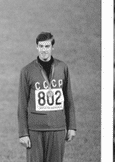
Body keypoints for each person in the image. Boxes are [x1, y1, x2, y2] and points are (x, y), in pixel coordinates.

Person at [17, 32, 77, 162]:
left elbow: (69, 100)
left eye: (47, 46)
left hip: (57, 128)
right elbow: (22, 104)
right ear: (37, 47)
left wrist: (71, 126)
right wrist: (23, 133)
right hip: (35, 130)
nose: (44, 50)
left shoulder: (62, 68)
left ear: (52, 47)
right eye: (41, 46)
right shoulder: (27, 71)